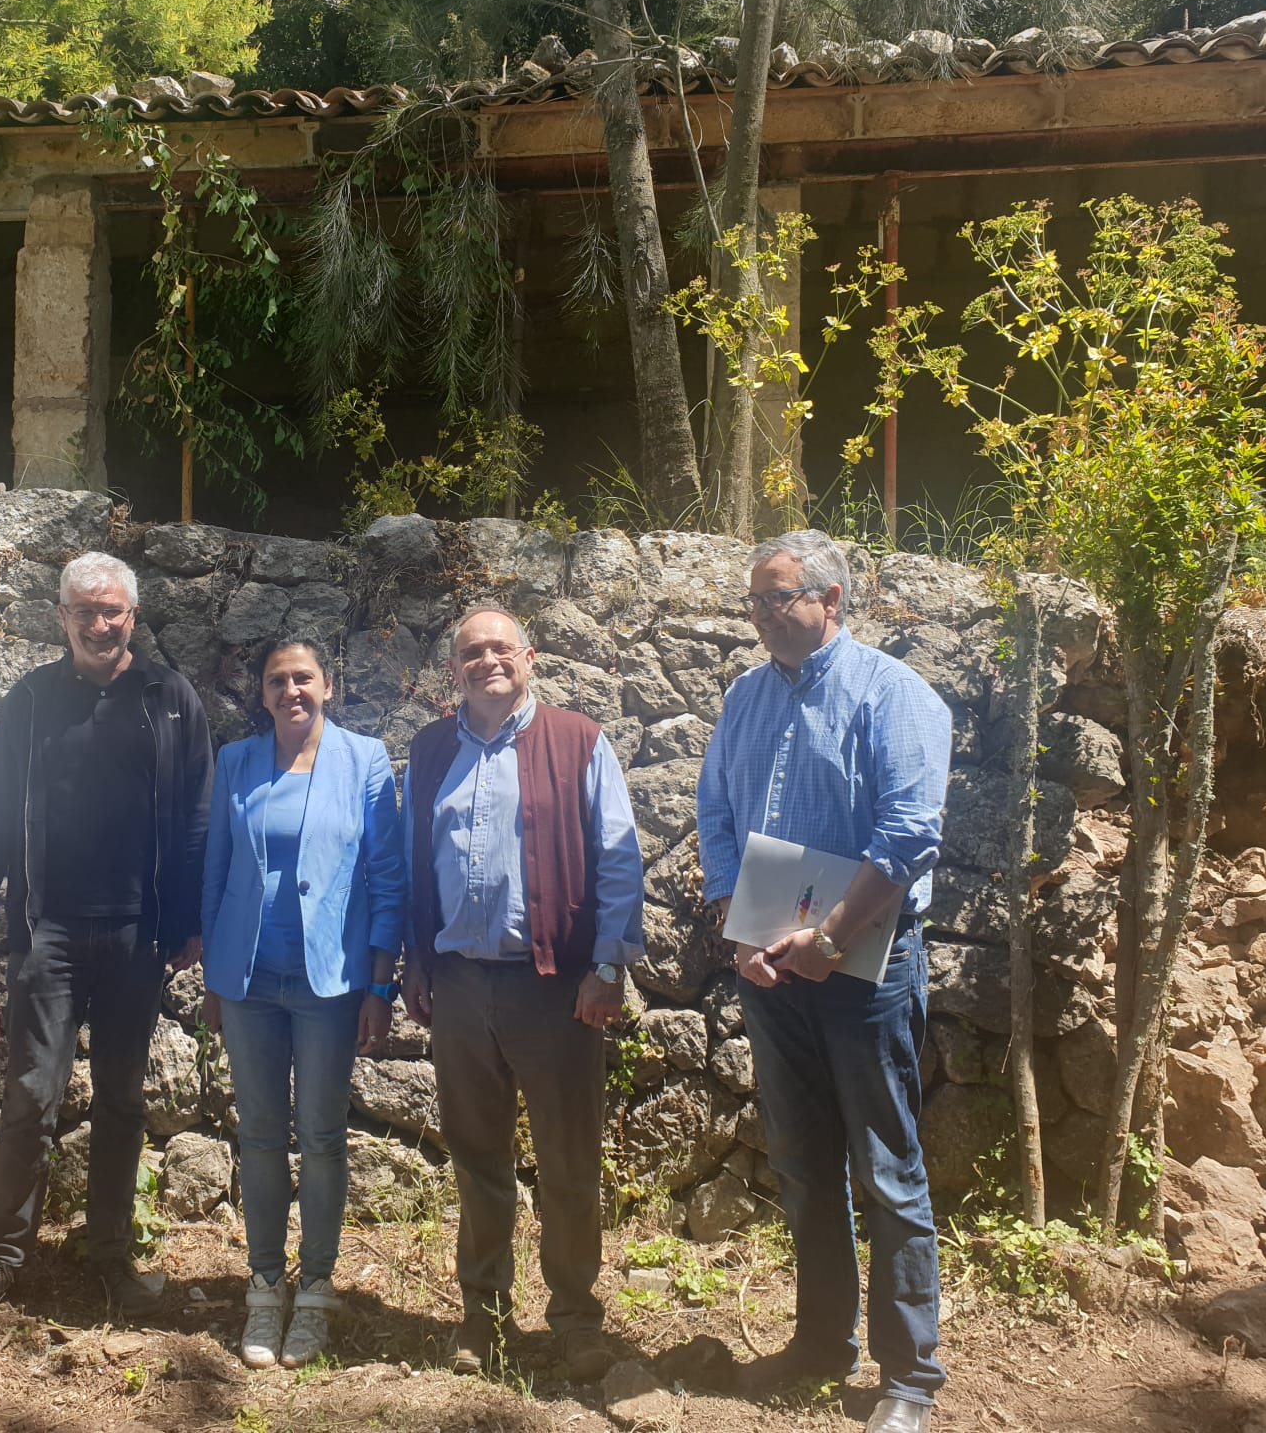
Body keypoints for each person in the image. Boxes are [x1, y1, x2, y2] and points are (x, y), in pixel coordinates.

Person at [694, 530, 952, 1433]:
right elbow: (715, 812)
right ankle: (820, 1344)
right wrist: (741, 927)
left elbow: (911, 833)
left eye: (778, 597)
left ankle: (909, 1376)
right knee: (804, 1164)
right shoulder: (745, 698)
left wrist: (832, 938)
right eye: (755, 601)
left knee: (886, 1169)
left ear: (831, 599)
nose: (762, 614)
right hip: (771, 968)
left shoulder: (893, 694)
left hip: (865, 968)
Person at [0, 551, 212, 1324]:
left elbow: (197, 816)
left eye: (113, 611)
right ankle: (4, 1257)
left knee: (124, 1099)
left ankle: (110, 1256)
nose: (100, 624)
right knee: (29, 1094)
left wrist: (188, 920)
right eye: (85, 611)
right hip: (46, 932)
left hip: (136, 936)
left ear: (133, 615)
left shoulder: (170, 698)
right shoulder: (29, 702)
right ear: (61, 617)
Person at [401, 606, 645, 1385]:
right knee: (477, 1159)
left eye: (500, 647)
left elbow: (617, 858)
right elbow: (414, 863)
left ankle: (574, 1318)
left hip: (556, 991)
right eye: (471, 651)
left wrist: (608, 969)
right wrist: (416, 960)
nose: (487, 661)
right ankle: (485, 1314)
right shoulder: (432, 749)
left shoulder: (578, 741)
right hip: (462, 986)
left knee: (569, 1163)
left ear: (529, 657)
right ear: (454, 670)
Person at [199, 637, 407, 1369]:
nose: (291, 690)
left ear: (327, 686)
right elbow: (216, 875)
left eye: (304, 678)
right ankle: (263, 1287)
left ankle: (314, 1292)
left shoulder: (366, 761)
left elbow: (388, 876)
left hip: (331, 985)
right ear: (261, 693)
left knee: (320, 1139)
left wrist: (381, 985)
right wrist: (215, 982)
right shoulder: (236, 763)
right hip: (250, 984)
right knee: (259, 1135)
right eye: (277, 680)